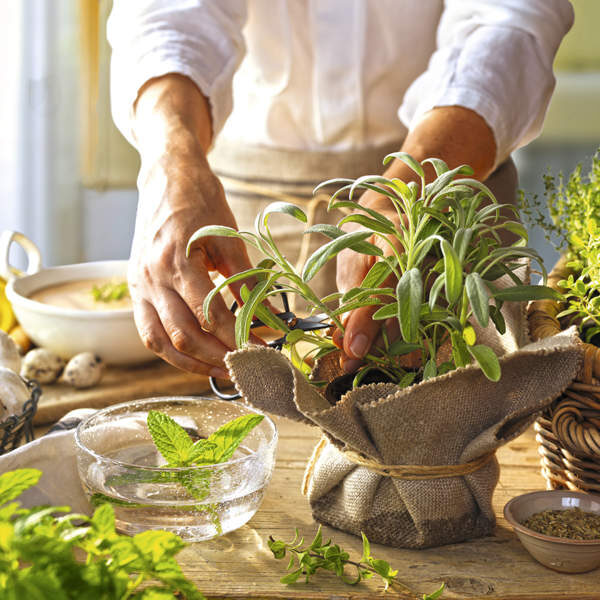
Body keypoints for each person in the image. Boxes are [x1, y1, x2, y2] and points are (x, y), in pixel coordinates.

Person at [107, 0, 573, 377]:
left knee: (460, 412)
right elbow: (165, 14)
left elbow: (510, 17)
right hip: (241, 216)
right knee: (250, 450)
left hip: (448, 187)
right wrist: (171, 162)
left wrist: (411, 186)